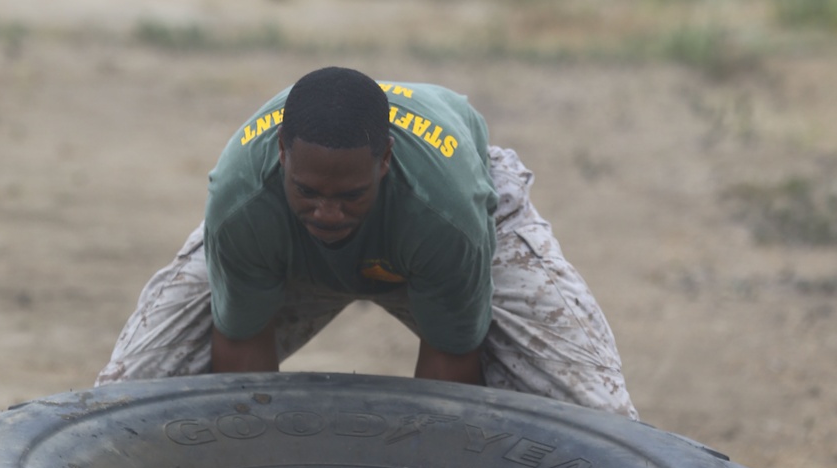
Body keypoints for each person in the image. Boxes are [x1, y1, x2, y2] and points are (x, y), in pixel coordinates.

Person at [96, 67, 636, 417]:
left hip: (448, 218)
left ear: (384, 161)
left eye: (348, 195)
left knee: (604, 423)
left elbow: (451, 363)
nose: (328, 212)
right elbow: (242, 345)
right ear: (282, 153)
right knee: (118, 410)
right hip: (286, 243)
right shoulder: (244, 198)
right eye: (310, 191)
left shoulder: (443, 210)